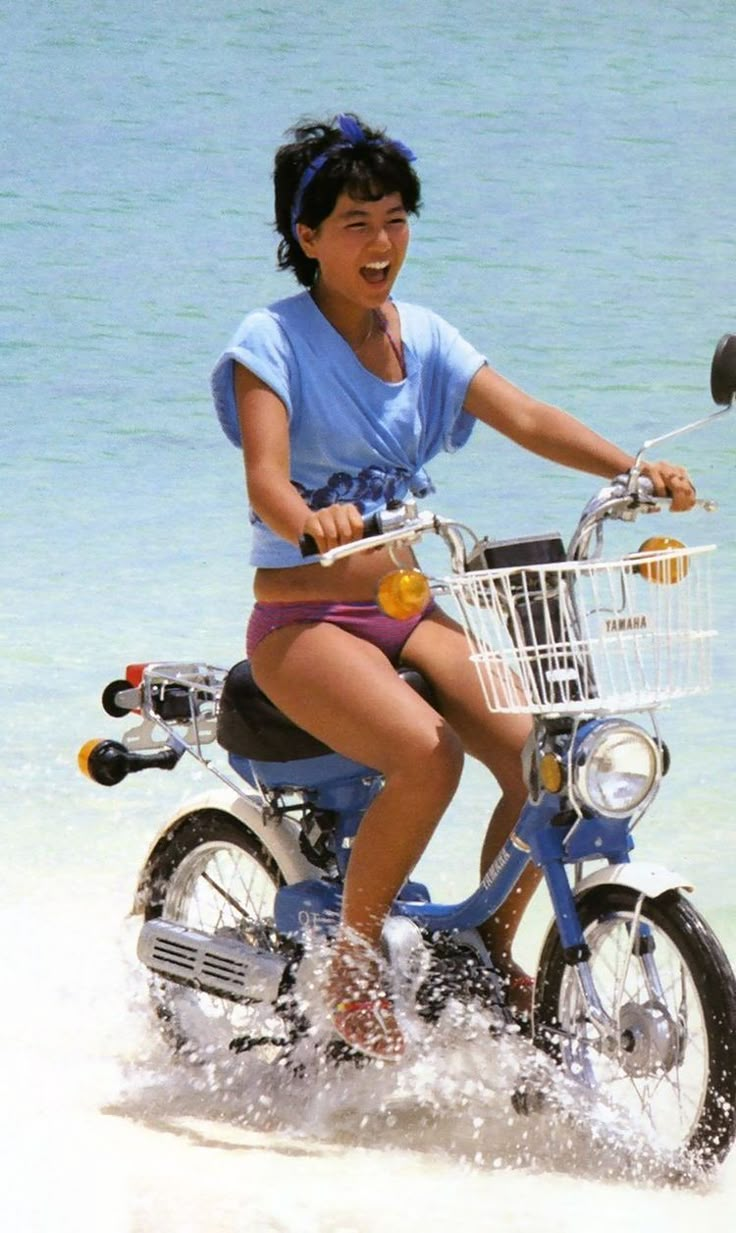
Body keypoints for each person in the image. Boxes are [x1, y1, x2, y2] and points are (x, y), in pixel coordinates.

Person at [211, 113, 696, 1061]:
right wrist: (313, 518)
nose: (381, 241)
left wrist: (630, 467)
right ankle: (352, 962)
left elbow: (520, 412)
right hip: (304, 616)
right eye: (355, 222)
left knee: (546, 762)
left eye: (395, 218)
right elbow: (266, 475)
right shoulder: (268, 339)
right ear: (305, 238)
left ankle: (484, 945)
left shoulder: (422, 335)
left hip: (403, 608)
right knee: (427, 756)